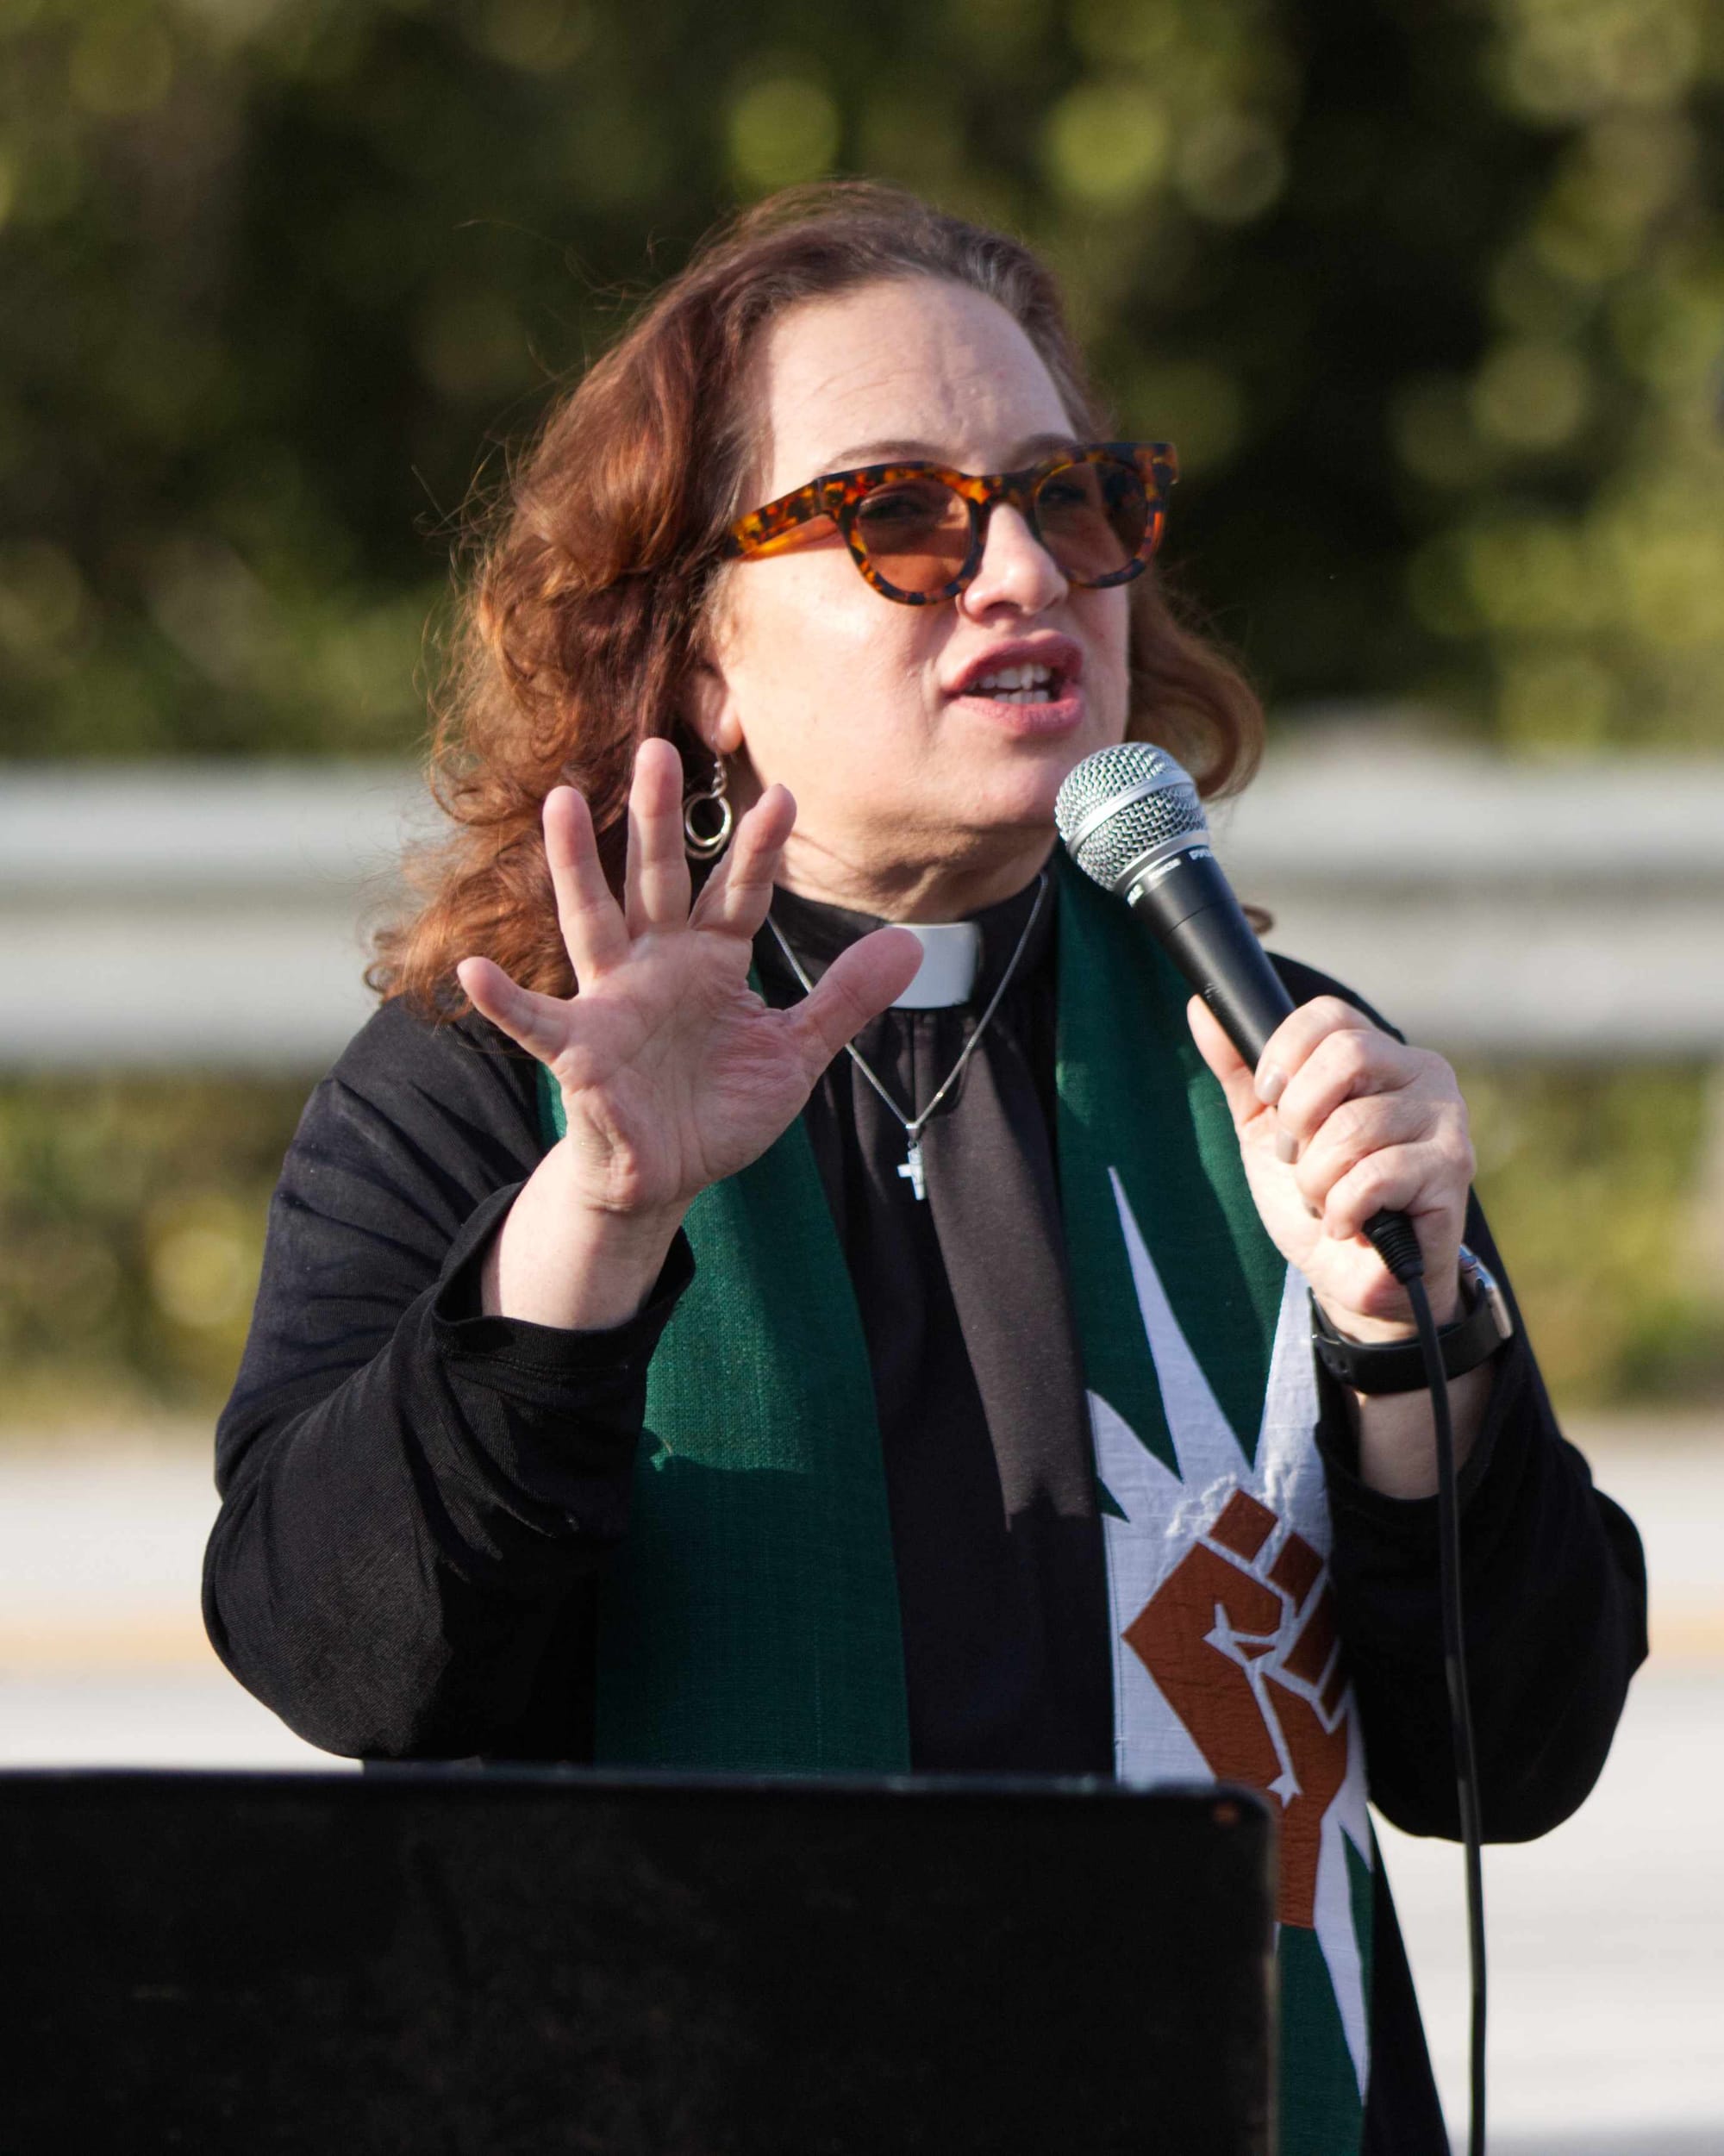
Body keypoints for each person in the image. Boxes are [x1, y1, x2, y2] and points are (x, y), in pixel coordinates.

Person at [203, 183, 1646, 2155]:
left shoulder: (1270, 1053)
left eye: (1067, 497)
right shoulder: (491, 1083)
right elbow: (337, 1655)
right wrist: (597, 1217)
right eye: (898, 513)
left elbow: (1515, 1762)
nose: (1022, 569)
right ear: (695, 652)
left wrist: (1416, 1350)